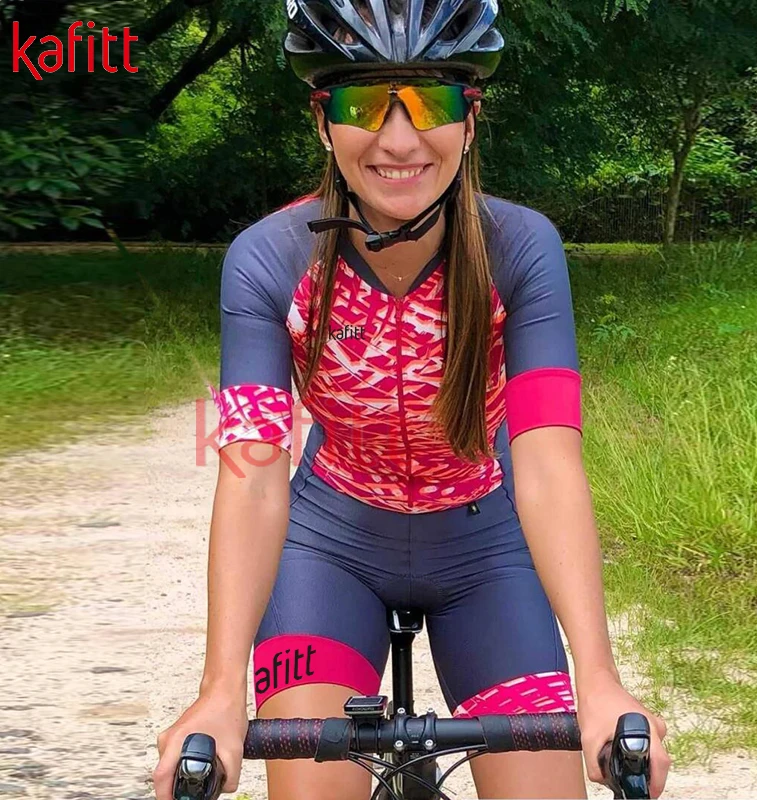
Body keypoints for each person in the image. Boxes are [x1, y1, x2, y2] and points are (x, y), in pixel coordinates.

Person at [153, 0, 673, 798]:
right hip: (328, 550)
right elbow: (253, 473)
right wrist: (221, 691)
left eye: (429, 103)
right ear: (322, 121)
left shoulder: (520, 248)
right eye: (365, 104)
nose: (399, 141)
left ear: (471, 118)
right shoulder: (267, 259)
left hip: (487, 549)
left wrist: (599, 679)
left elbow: (547, 461)